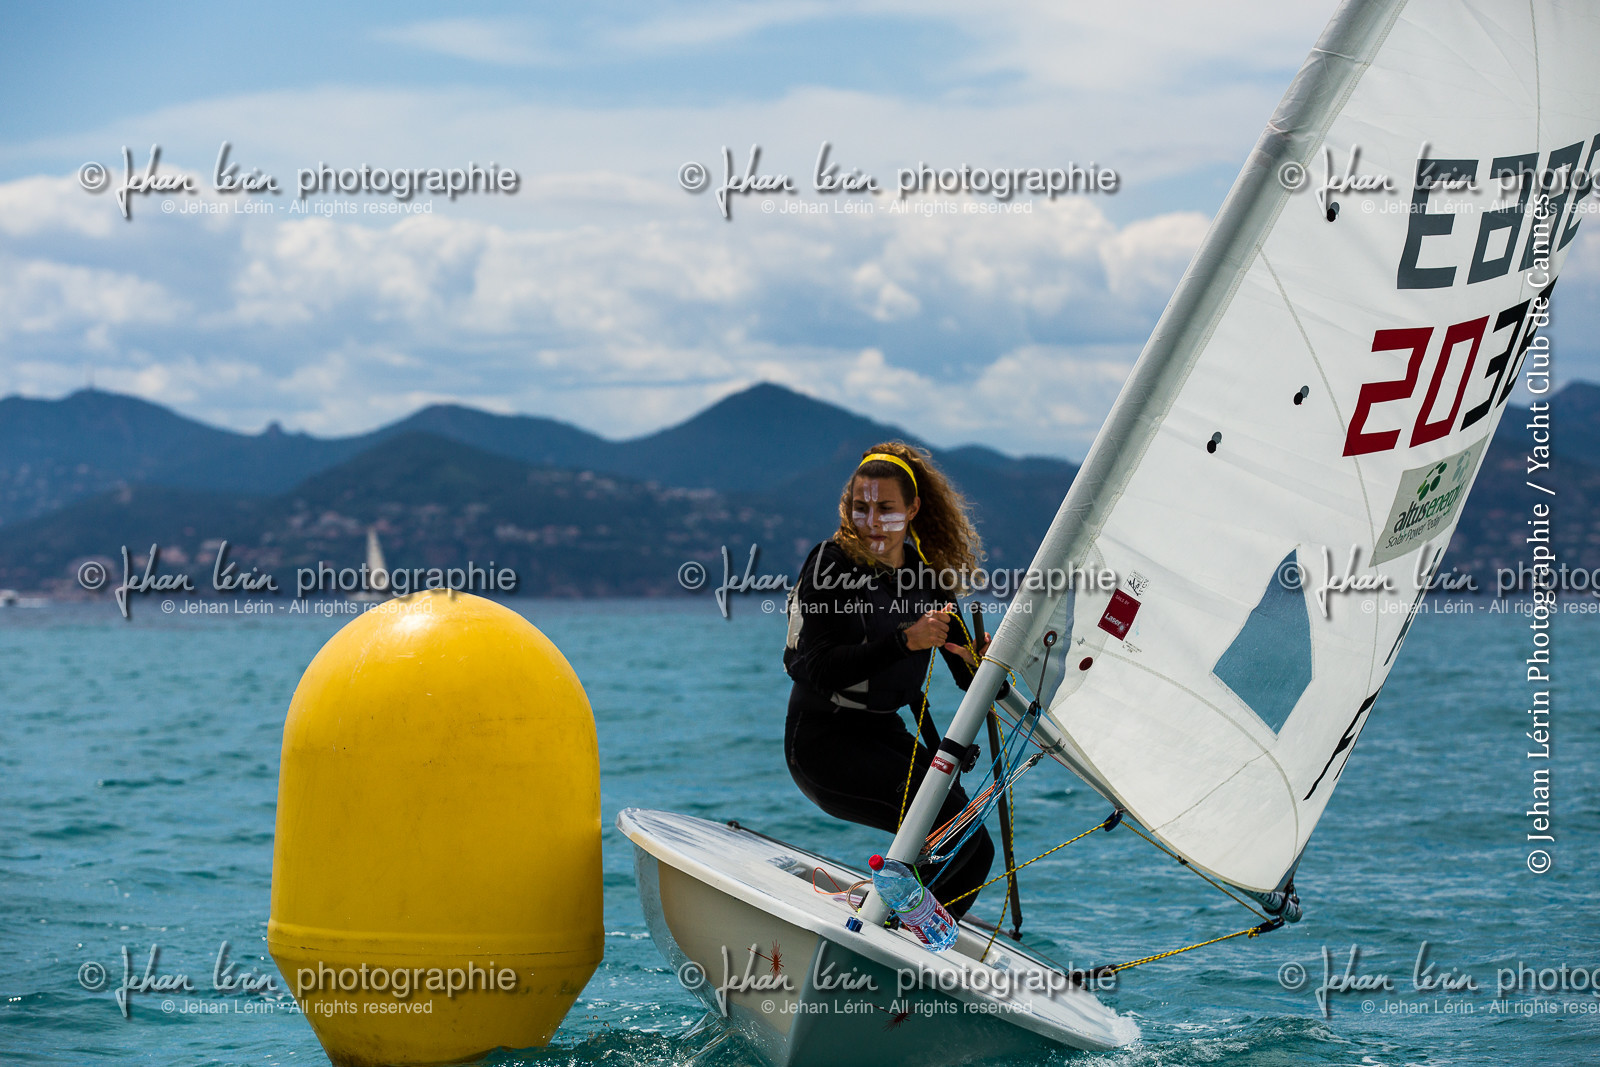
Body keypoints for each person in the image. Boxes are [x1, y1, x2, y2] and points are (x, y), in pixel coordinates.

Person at [783, 441, 994, 918]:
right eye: (860, 507)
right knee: (958, 841)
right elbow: (817, 669)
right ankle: (896, 932)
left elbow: (971, 678)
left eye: (885, 508)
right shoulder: (829, 565)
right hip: (824, 743)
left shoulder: (928, 582)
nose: (872, 520)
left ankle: (905, 931)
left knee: (971, 846)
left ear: (913, 508)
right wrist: (905, 642)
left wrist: (987, 664)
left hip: (885, 734)